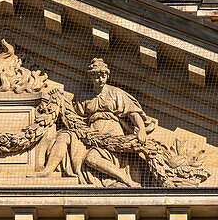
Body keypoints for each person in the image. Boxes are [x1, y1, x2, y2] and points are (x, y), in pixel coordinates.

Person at [33, 58, 156, 187]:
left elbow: (133, 112)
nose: (100, 80)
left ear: (107, 76)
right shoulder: (84, 96)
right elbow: (73, 117)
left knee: (91, 158)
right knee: (64, 136)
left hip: (112, 134)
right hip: (90, 135)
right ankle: (47, 171)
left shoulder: (116, 93)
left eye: (103, 76)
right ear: (91, 77)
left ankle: (127, 180)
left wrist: (141, 129)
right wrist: (59, 98)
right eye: (97, 77)